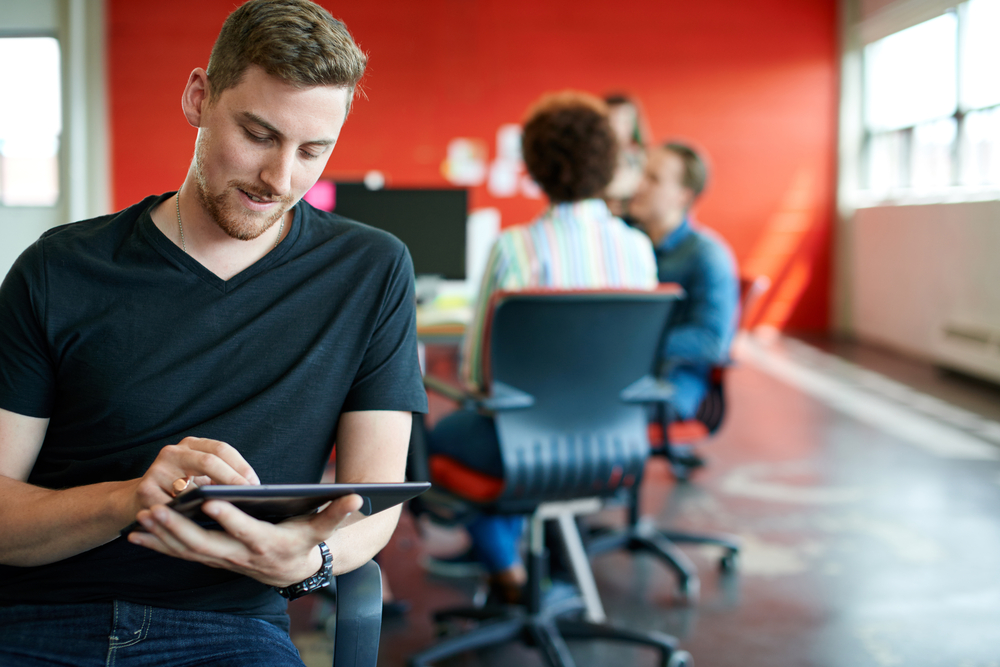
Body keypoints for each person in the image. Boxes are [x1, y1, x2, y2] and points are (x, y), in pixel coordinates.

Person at [0, 1, 427, 664]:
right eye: (258, 134)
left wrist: (306, 557)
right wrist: (129, 498)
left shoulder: (370, 271)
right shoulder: (59, 268)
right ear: (199, 97)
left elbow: (373, 502)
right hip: (40, 615)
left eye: (312, 150)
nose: (280, 179)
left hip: (228, 627)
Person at [427, 91, 658, 602]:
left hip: (523, 450)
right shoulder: (638, 249)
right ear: (611, 162)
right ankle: (515, 569)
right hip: (617, 447)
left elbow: (476, 376)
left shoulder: (514, 247)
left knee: (429, 439)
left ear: (533, 165)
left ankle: (505, 569)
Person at [629, 141, 738, 426]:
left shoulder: (706, 255)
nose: (638, 185)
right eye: (642, 174)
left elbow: (713, 341)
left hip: (671, 389)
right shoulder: (629, 244)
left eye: (653, 179)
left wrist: (631, 344)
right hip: (628, 377)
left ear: (683, 196)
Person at [603, 94, 648, 219]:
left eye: (624, 120)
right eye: (612, 119)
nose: (617, 127)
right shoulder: (590, 160)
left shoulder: (646, 159)